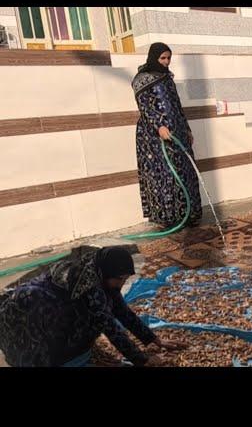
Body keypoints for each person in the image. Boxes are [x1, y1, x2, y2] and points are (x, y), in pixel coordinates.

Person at [0, 246, 184, 367]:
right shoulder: (90, 287)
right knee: (45, 354)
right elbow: (109, 326)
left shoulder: (99, 268)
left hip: (45, 307)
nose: (122, 284)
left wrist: (152, 339)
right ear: (107, 273)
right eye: (120, 279)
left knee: (93, 313)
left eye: (125, 280)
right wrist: (142, 360)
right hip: (29, 314)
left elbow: (121, 310)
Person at [131, 42, 202, 228]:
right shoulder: (142, 79)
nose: (166, 62)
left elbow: (177, 105)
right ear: (154, 57)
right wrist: (158, 127)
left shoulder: (167, 78)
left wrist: (186, 128)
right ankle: (168, 217)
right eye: (163, 58)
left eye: (168, 58)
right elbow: (145, 107)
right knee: (164, 175)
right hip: (154, 138)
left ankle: (188, 214)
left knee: (184, 172)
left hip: (177, 132)